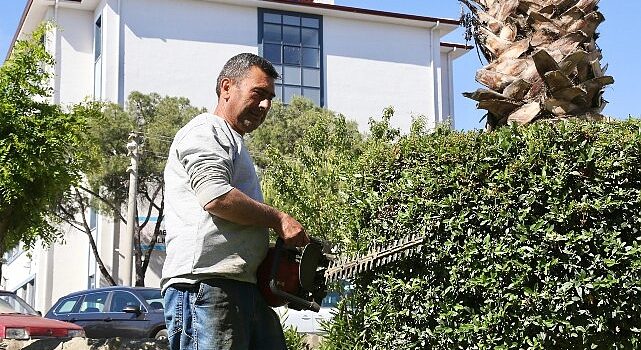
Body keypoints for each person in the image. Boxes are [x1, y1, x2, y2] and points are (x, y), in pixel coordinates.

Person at [161, 53, 310, 350]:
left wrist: (268, 258)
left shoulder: (233, 141)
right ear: (227, 87)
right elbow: (216, 197)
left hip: (240, 287)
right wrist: (278, 219)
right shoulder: (206, 130)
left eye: (270, 97)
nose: (265, 105)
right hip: (206, 287)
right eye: (258, 93)